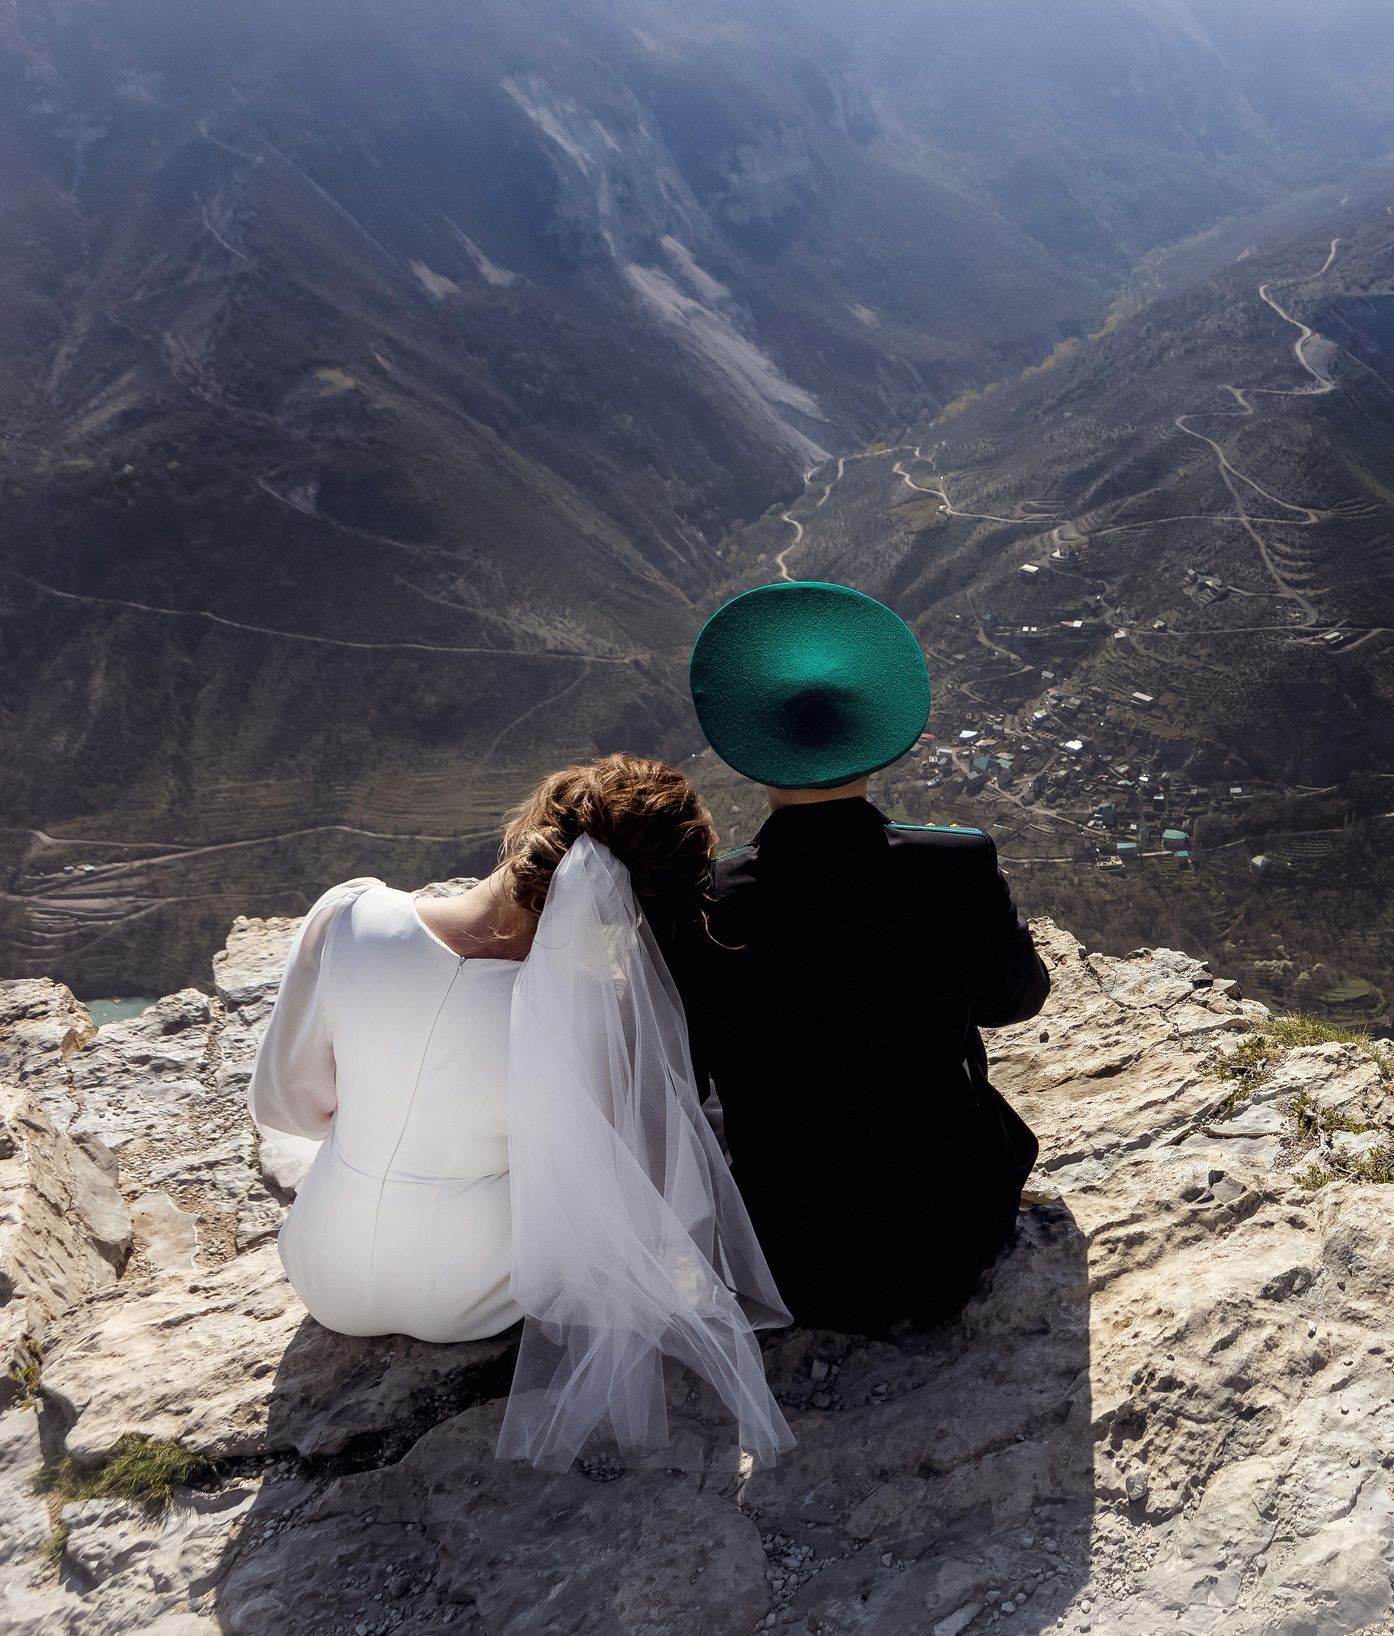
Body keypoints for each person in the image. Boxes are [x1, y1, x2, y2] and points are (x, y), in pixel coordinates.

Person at [248, 756, 793, 1471]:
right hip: (471, 1290)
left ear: (534, 825)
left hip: (323, 1267)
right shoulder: (592, 1013)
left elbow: (286, 1106)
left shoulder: (348, 918)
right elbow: (619, 1187)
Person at [672, 579, 1049, 1336]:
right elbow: (1019, 997)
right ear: (878, 738)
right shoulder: (957, 867)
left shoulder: (705, 900)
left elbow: (691, 1066)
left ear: (753, 753)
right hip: (952, 1228)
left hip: (787, 1254)